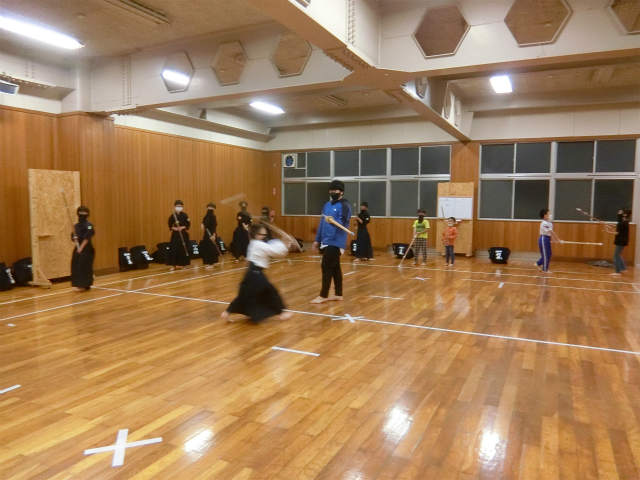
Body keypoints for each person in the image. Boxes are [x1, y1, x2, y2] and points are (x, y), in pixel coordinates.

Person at [221, 222, 294, 323]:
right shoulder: (258, 244)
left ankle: (227, 312)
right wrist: (285, 244)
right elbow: (274, 251)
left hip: (251, 272)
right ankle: (282, 312)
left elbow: (272, 247)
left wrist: (284, 243)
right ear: (256, 235)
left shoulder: (254, 243)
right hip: (255, 273)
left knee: (245, 295)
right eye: (262, 234)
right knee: (270, 291)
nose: (264, 236)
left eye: (265, 235)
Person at [311, 179, 352, 304]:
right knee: (335, 268)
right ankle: (338, 294)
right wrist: (317, 240)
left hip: (336, 242)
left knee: (326, 266)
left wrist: (333, 221)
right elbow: (322, 223)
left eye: (335, 190)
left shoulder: (345, 205)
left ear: (341, 192)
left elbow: (344, 222)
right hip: (325, 241)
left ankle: (323, 295)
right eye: (331, 190)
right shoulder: (327, 205)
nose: (333, 192)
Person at [71, 205, 95, 291]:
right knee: (76, 265)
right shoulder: (76, 226)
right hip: (78, 247)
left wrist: (81, 248)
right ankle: (79, 284)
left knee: (84, 266)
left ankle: (84, 285)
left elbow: (87, 237)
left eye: (84, 212)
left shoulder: (89, 225)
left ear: (87, 214)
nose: (82, 214)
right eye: (81, 212)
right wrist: (74, 238)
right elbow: (73, 237)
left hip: (87, 248)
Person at [536, 208, 561, 273]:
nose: (550, 215)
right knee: (545, 255)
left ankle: (538, 263)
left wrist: (554, 240)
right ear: (545, 215)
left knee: (549, 254)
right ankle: (545, 269)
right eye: (548, 213)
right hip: (543, 239)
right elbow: (552, 232)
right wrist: (558, 239)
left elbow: (550, 233)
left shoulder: (549, 223)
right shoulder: (544, 223)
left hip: (547, 238)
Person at [168, 200, 191, 270]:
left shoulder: (185, 215)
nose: (179, 207)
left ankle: (183, 264)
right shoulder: (172, 216)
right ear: (175, 207)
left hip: (183, 234)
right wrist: (174, 228)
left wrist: (182, 227)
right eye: (178, 206)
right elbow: (170, 225)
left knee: (183, 249)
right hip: (175, 235)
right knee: (174, 249)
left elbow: (188, 224)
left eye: (180, 206)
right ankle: (173, 265)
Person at [608, 209, 630, 275]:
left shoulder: (622, 223)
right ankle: (623, 268)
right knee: (618, 255)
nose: (619, 214)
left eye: (620, 212)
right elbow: (619, 228)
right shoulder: (625, 221)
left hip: (620, 241)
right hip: (623, 241)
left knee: (616, 256)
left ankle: (617, 272)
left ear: (624, 214)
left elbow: (617, 232)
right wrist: (612, 226)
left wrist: (608, 231)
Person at [199, 202, 219, 269]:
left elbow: (214, 226)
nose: (210, 208)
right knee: (207, 248)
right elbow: (203, 224)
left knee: (211, 248)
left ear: (214, 209)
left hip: (212, 234)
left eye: (212, 207)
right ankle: (208, 262)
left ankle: (211, 263)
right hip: (206, 234)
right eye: (209, 207)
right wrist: (202, 225)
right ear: (207, 208)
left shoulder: (213, 216)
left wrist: (213, 235)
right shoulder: (205, 216)